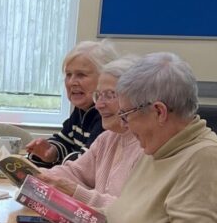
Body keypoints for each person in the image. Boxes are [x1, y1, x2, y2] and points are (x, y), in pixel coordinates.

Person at [67, 52, 217, 223]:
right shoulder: (157, 149)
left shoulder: (208, 158)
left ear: (159, 112)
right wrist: (72, 213)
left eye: (126, 115)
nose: (126, 126)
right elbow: (123, 214)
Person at [35, 56, 143, 210]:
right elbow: (75, 172)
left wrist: (76, 192)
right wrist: (35, 174)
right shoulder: (107, 138)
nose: (99, 105)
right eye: (98, 95)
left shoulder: (147, 147)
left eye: (110, 95)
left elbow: (130, 213)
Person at [27, 40, 118, 167]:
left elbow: (85, 163)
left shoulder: (105, 115)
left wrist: (57, 159)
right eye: (68, 75)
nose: (71, 82)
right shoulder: (81, 111)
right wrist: (51, 152)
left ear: (105, 79)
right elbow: (63, 141)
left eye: (81, 75)